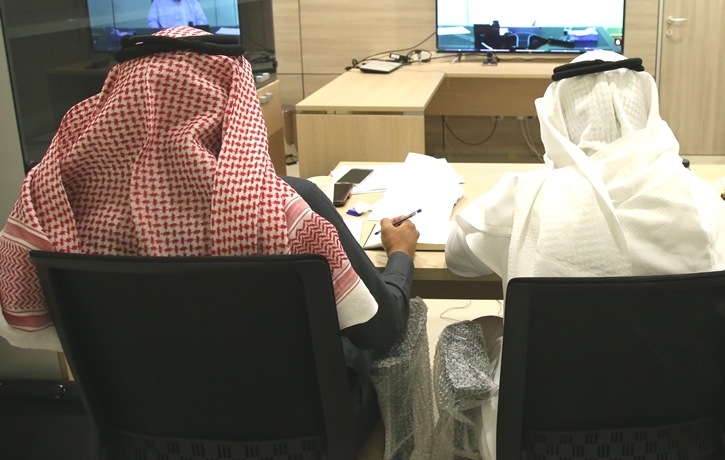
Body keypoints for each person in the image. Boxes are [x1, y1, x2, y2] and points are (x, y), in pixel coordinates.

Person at [0, 26, 418, 447]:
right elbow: (382, 331)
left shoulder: (57, 216)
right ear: (235, 104)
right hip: (300, 440)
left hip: (145, 439)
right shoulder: (284, 208)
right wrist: (400, 254)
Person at [444, 50, 725, 460]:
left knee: (483, 327)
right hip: (675, 430)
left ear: (558, 116)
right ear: (645, 110)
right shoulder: (694, 198)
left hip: (542, 436)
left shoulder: (524, 194)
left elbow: (457, 259)